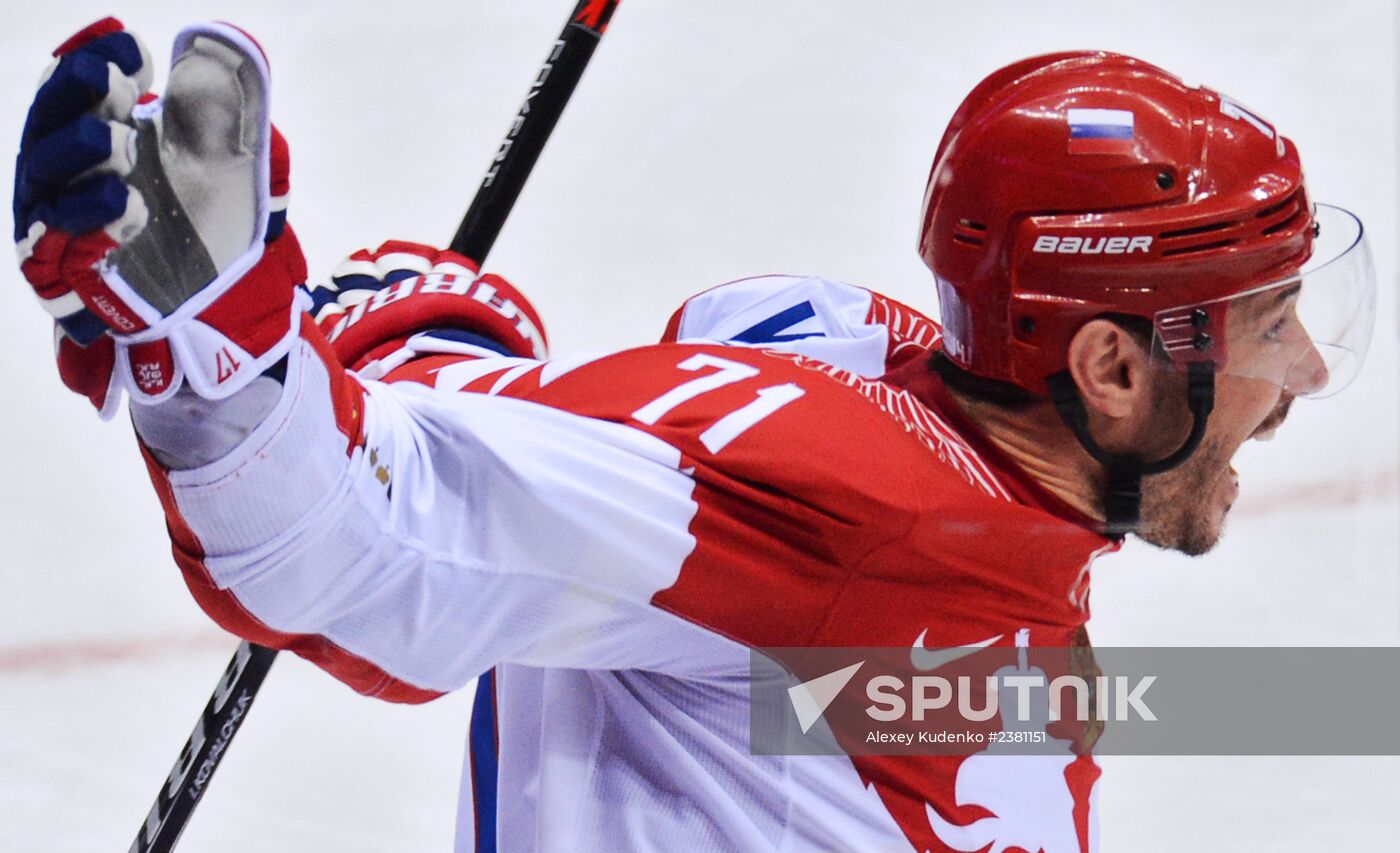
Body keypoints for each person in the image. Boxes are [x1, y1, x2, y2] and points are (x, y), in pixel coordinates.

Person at [13, 17, 1376, 853]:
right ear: (1108, 367)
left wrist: (404, 351)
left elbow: (566, 484)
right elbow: (377, 547)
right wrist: (222, 362)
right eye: (1265, 329)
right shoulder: (845, 519)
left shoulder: (860, 388)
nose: (1307, 371)